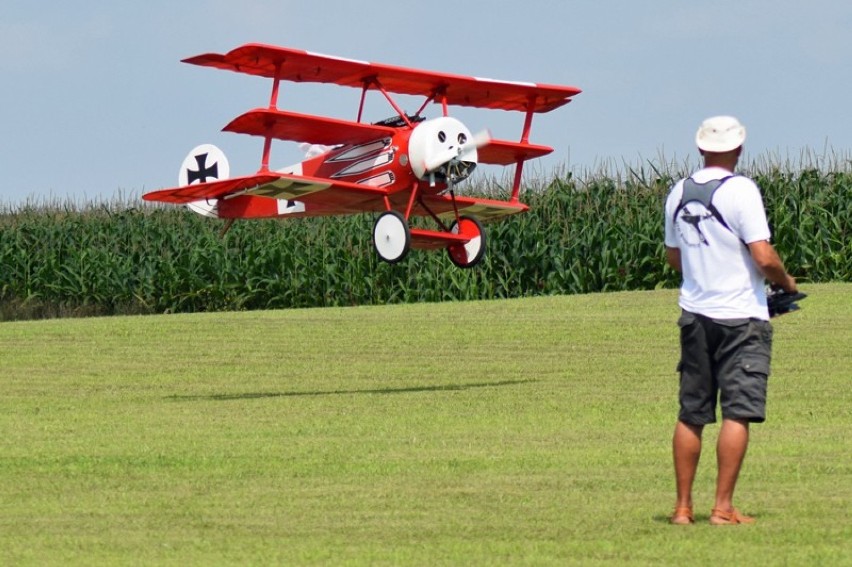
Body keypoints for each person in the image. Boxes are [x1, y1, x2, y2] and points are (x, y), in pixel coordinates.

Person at [663, 116, 798, 525]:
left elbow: (673, 256)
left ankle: (683, 508)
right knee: (737, 412)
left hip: (695, 313)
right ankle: (722, 508)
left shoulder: (678, 191)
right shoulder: (741, 190)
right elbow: (763, 255)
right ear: (738, 149)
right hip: (742, 317)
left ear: (701, 148)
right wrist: (786, 281)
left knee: (692, 413)